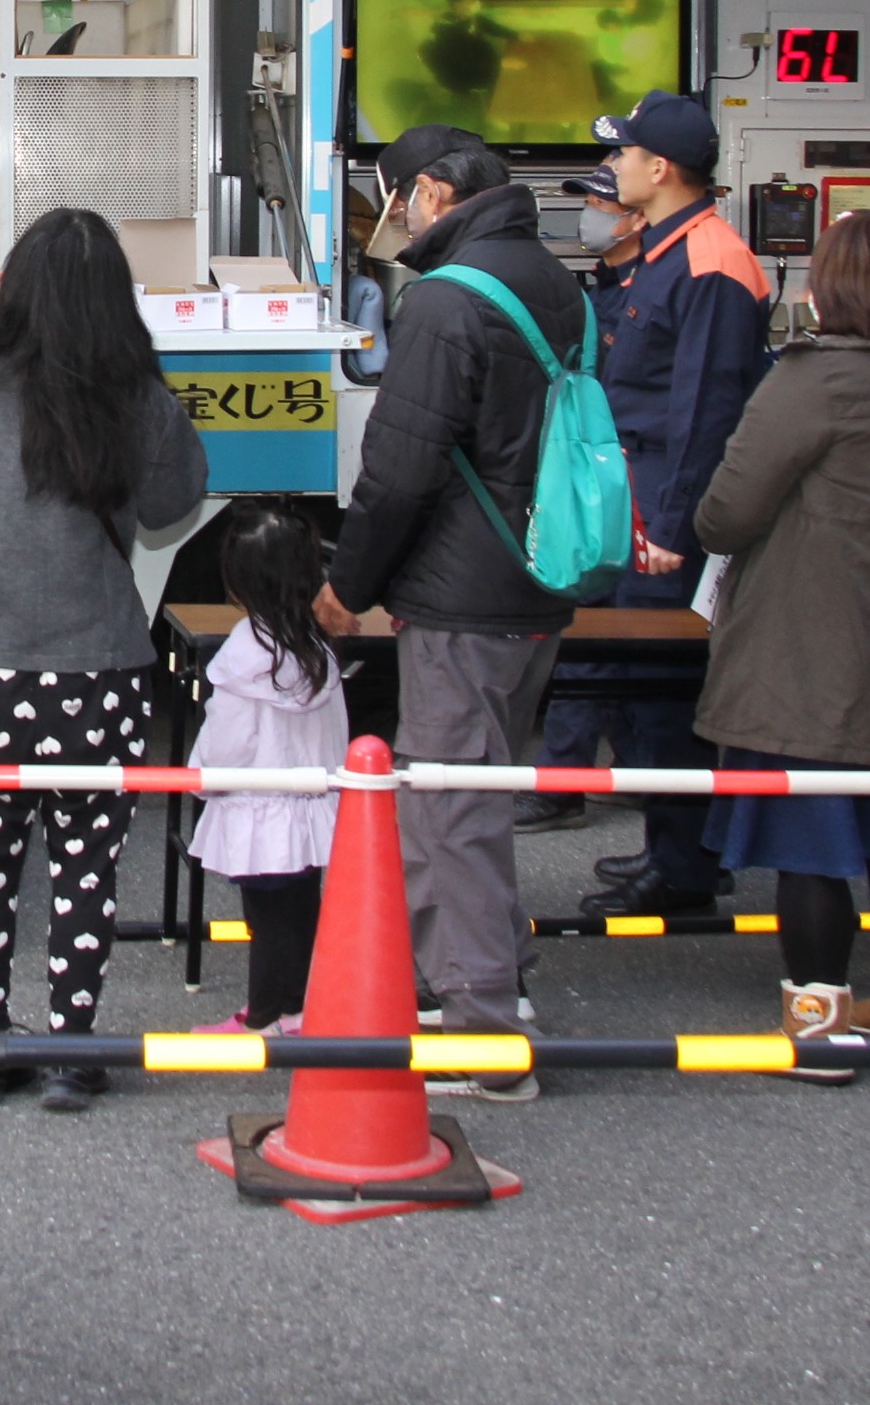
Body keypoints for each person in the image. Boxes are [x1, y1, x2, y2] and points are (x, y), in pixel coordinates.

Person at [0, 205, 207, 1112]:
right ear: (117, 301)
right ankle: (76, 1049)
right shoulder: (139, 397)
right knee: (85, 861)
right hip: (99, 668)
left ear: (12, 293)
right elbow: (172, 505)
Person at [317, 136, 582, 1101]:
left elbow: (400, 468)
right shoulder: (554, 282)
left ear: (434, 192)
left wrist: (349, 584)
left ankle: (480, 1029)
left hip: (463, 591)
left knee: (451, 808)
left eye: (394, 200)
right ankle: (480, 981)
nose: (390, 219)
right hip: (534, 576)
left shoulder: (445, 299)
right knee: (470, 789)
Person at [690, 211, 870, 1078]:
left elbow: (725, 513)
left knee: (809, 847)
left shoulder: (811, 382)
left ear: (834, 284)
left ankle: (818, 1026)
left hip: (808, 651)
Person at [576, 90, 773, 922]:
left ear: (660, 169)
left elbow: (705, 413)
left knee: (668, 694)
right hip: (641, 493)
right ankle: (671, 846)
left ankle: (689, 868)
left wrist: (678, 529)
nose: (613, 166)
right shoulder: (666, 251)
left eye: (622, 154)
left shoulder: (712, 263)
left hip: (666, 505)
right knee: (637, 687)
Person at [185, 501, 349, 1037]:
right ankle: (300, 1010)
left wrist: (201, 774)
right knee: (300, 914)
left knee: (266, 920)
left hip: (258, 808)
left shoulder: (243, 651)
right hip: (311, 808)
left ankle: (262, 1018)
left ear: (239, 582)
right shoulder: (317, 647)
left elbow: (228, 742)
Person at [517, 161, 646, 836]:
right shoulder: (602, 289)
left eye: (601, 202)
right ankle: (635, 766)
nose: (588, 214)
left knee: (592, 637)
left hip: (622, 490)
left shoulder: (649, 290)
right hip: (604, 482)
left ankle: (564, 779)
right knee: (608, 638)